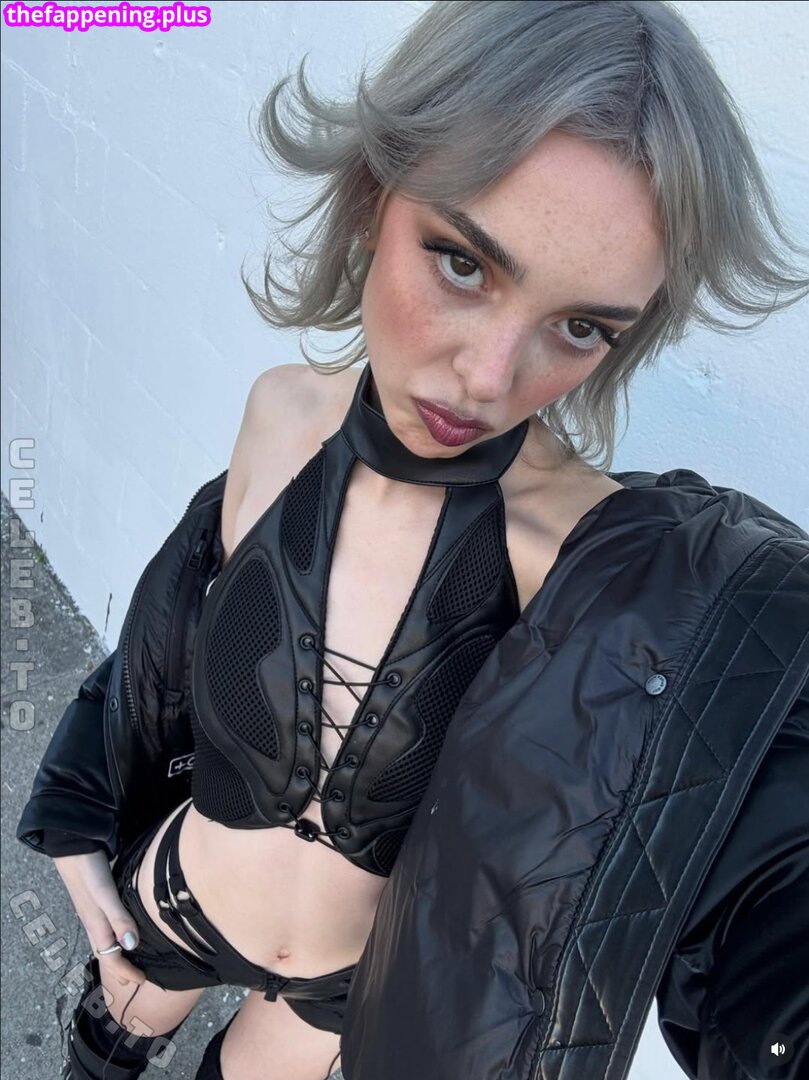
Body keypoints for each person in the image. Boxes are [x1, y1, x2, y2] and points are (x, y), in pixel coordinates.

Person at [16, 2, 809, 1079]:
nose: (489, 377)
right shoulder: (281, 414)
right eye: (461, 263)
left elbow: (749, 829)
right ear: (369, 197)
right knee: (101, 1055)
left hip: (347, 988)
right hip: (185, 897)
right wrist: (76, 812)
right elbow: (168, 637)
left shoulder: (583, 565)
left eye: (580, 327)